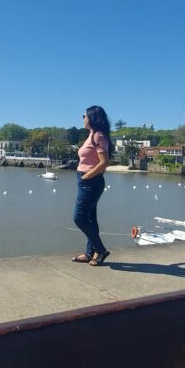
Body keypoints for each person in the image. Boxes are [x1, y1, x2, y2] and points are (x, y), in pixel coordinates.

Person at [71, 105, 112, 267]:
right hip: (86, 181)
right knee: (90, 219)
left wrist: (86, 176)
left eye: (85, 115)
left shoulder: (99, 136)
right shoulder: (91, 135)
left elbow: (104, 162)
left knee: (79, 217)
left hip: (90, 182)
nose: (83, 118)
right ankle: (90, 253)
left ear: (92, 118)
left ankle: (100, 250)